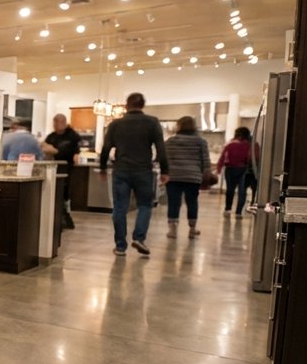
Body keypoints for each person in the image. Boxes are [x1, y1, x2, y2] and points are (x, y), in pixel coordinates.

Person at [98, 92, 169, 256]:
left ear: (126, 105)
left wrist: (102, 167)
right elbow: (161, 149)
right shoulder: (152, 122)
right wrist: (165, 171)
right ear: (143, 105)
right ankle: (139, 238)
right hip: (143, 170)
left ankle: (120, 246)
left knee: (120, 208)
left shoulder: (116, 124)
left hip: (121, 170)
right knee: (145, 205)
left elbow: (106, 148)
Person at [163, 116, 211, 239]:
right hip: (193, 177)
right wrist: (206, 174)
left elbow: (165, 159)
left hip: (174, 176)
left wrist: (165, 173)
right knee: (192, 202)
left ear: (178, 126)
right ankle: (192, 229)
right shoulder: (201, 142)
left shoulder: (170, 141)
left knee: (174, 203)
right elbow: (205, 161)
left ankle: (173, 230)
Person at [43, 113, 81, 229]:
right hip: (53, 168)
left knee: (65, 193)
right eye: (54, 122)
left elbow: (75, 152)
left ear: (63, 123)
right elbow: (46, 150)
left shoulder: (72, 136)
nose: (55, 125)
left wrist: (56, 151)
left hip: (67, 168)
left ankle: (66, 217)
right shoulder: (51, 137)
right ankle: (57, 218)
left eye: (57, 122)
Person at [216, 126, 253, 217]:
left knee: (230, 190)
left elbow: (223, 157)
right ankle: (238, 212)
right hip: (243, 169)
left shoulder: (230, 144)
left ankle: (228, 209)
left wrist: (219, 168)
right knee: (242, 191)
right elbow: (249, 159)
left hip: (230, 169)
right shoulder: (249, 145)